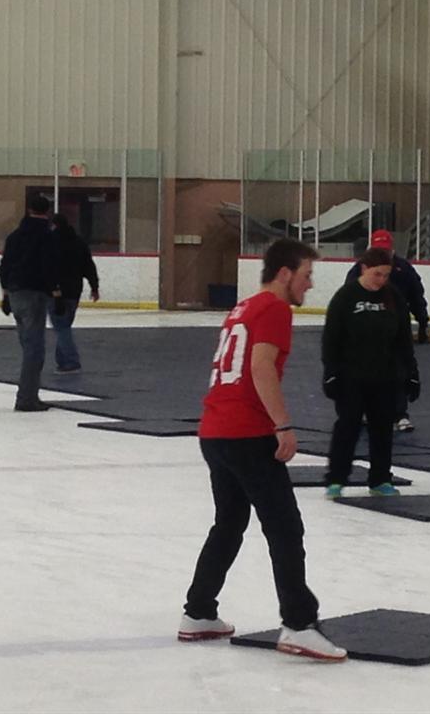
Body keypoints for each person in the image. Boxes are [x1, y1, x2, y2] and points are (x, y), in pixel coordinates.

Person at [179, 239, 347, 663]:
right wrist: (283, 425)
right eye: (307, 276)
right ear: (285, 273)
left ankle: (199, 612)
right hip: (246, 433)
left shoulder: (243, 308)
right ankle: (299, 624)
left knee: (229, 523)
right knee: (285, 527)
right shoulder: (274, 309)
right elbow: (260, 367)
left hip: (214, 431)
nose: (310, 286)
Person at [323, 247, 420, 499]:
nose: (381, 281)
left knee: (382, 429)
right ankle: (336, 478)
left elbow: (403, 339)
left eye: (386, 275)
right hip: (351, 376)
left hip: (385, 376)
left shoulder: (393, 297)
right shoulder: (346, 296)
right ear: (364, 269)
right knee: (348, 426)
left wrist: (411, 372)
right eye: (377, 274)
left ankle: (379, 479)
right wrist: (330, 372)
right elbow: (331, 338)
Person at [345, 229, 429, 432]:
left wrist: (423, 323)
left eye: (385, 251)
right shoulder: (358, 271)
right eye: (377, 251)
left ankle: (400, 414)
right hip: (366, 330)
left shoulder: (405, 270)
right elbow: (347, 299)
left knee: (399, 369)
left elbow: (417, 297)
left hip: (396, 328)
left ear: (392, 251)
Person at [0, 194, 64, 412]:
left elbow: (4, 265)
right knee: (34, 349)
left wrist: (6, 294)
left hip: (15, 293)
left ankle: (29, 394)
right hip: (34, 294)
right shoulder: (47, 236)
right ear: (47, 211)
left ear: (28, 210)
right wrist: (56, 292)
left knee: (27, 345)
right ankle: (26, 397)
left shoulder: (15, 236)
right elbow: (50, 266)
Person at [48, 213, 100, 373]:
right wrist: (94, 287)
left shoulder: (50, 243)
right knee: (64, 325)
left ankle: (71, 360)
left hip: (56, 291)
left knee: (61, 326)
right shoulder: (79, 242)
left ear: (54, 225)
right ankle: (62, 360)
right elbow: (89, 266)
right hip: (74, 291)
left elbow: (48, 268)